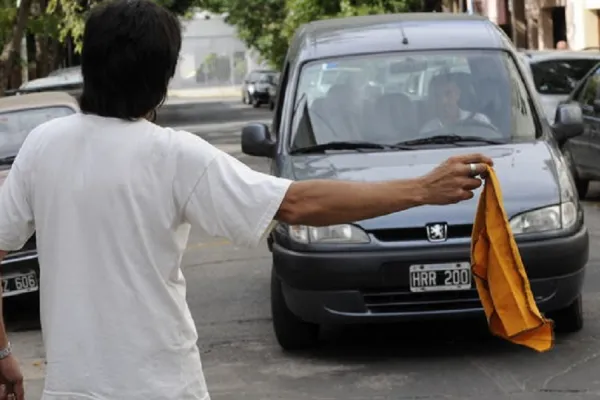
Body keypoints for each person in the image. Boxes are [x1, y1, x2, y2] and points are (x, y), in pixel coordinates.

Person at [0, 1, 493, 399]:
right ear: (163, 79)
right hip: (159, 388)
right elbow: (297, 204)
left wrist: (3, 354)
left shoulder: (45, 145)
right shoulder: (173, 155)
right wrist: (419, 190)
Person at [420, 74, 492, 134]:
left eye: (448, 93)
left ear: (457, 94)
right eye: (437, 96)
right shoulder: (428, 131)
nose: (443, 101)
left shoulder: (479, 121)